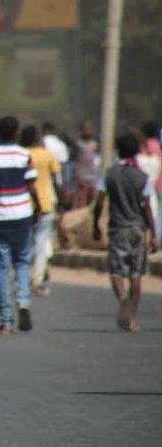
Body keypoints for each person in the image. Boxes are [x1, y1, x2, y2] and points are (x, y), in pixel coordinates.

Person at [0, 116, 41, 335]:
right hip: (22, 214)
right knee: (23, 262)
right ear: (16, 133)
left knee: (1, 267)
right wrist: (38, 209)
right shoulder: (24, 155)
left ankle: (6, 321)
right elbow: (32, 186)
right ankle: (23, 301)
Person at [93, 132, 158, 333]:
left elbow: (99, 203)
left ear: (118, 150)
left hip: (117, 228)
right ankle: (131, 318)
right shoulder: (142, 178)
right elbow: (147, 207)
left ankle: (122, 300)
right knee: (136, 274)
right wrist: (153, 233)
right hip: (137, 228)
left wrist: (95, 224)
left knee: (116, 270)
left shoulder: (109, 174)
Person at [22, 125, 62, 296]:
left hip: (25, 205)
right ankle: (37, 279)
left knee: (28, 243)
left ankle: (26, 278)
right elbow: (57, 182)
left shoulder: (22, 154)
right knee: (41, 243)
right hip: (46, 204)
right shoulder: (48, 156)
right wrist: (61, 204)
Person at [72, 120, 100, 208]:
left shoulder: (95, 144)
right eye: (85, 129)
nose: (87, 131)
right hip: (82, 176)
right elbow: (74, 160)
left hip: (93, 176)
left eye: (89, 129)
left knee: (92, 201)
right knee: (82, 202)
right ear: (81, 130)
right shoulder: (78, 144)